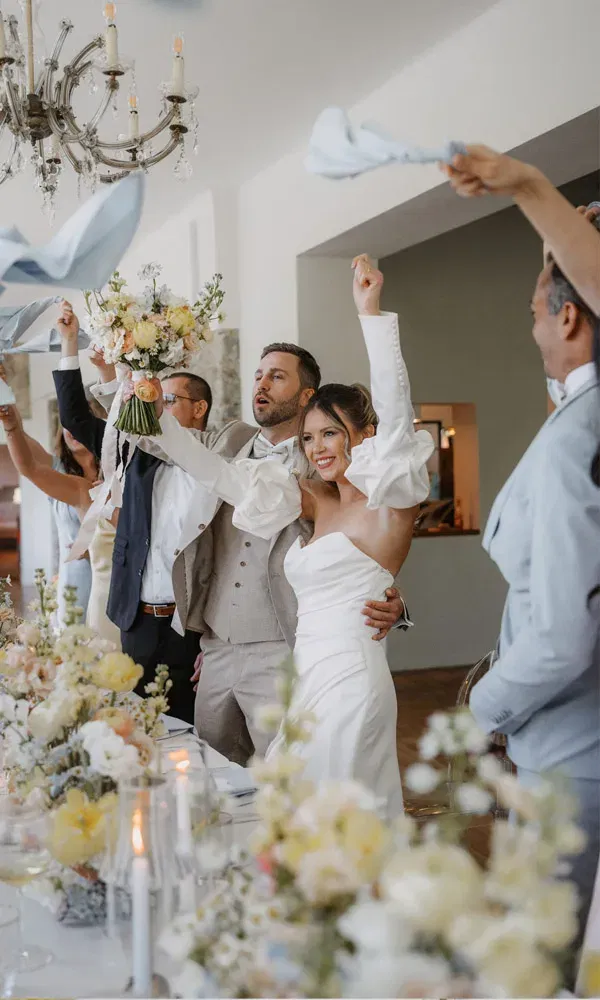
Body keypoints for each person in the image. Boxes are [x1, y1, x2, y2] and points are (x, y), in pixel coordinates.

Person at [135, 255, 432, 816]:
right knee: (289, 809)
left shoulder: (392, 504)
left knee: (339, 812)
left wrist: (371, 315)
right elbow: (219, 473)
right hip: (304, 678)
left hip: (349, 680)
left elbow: (395, 419)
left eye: (332, 435)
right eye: (313, 436)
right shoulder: (313, 498)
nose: (319, 447)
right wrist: (155, 414)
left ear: (362, 438)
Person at [457, 207, 600, 963]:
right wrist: (559, 247)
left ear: (568, 315)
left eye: (534, 312)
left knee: (538, 963)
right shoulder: (577, 414)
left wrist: (485, 706)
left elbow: (565, 634)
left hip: (573, 754)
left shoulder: (579, 435)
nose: (531, 329)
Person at [0, 401, 120, 646]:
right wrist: (9, 412)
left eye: (79, 423)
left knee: (110, 643)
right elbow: (25, 454)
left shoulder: (116, 471)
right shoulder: (58, 469)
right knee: (74, 644)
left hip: (113, 571)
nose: (72, 431)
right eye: (67, 425)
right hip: (77, 574)